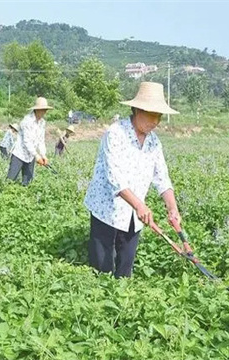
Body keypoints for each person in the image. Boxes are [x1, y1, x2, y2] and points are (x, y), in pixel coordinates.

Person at [84, 82, 182, 278]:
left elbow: (162, 177)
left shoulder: (154, 141)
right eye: (152, 114)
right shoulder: (115, 134)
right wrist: (140, 205)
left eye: (159, 116)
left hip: (133, 215)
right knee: (102, 268)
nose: (156, 121)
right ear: (137, 110)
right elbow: (115, 178)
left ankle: (122, 304)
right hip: (107, 210)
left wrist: (172, 207)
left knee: (125, 268)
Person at [7, 97, 52, 186]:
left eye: (46, 110)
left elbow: (41, 140)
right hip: (19, 154)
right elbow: (27, 141)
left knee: (27, 183)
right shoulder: (27, 121)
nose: (45, 112)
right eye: (43, 109)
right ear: (37, 110)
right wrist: (37, 156)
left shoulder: (42, 122)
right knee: (10, 180)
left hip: (30, 156)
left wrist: (43, 155)